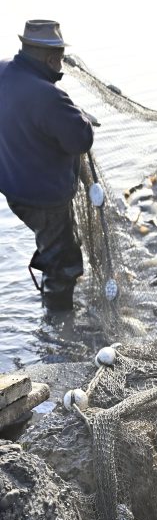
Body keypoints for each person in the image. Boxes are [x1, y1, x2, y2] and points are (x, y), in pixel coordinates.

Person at [0, 20, 95, 312]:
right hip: (45, 199)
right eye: (59, 59)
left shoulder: (3, 70)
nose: (60, 65)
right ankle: (57, 329)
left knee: (55, 245)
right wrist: (83, 118)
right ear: (51, 58)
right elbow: (80, 141)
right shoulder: (50, 97)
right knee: (65, 265)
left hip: (14, 189)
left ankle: (50, 258)